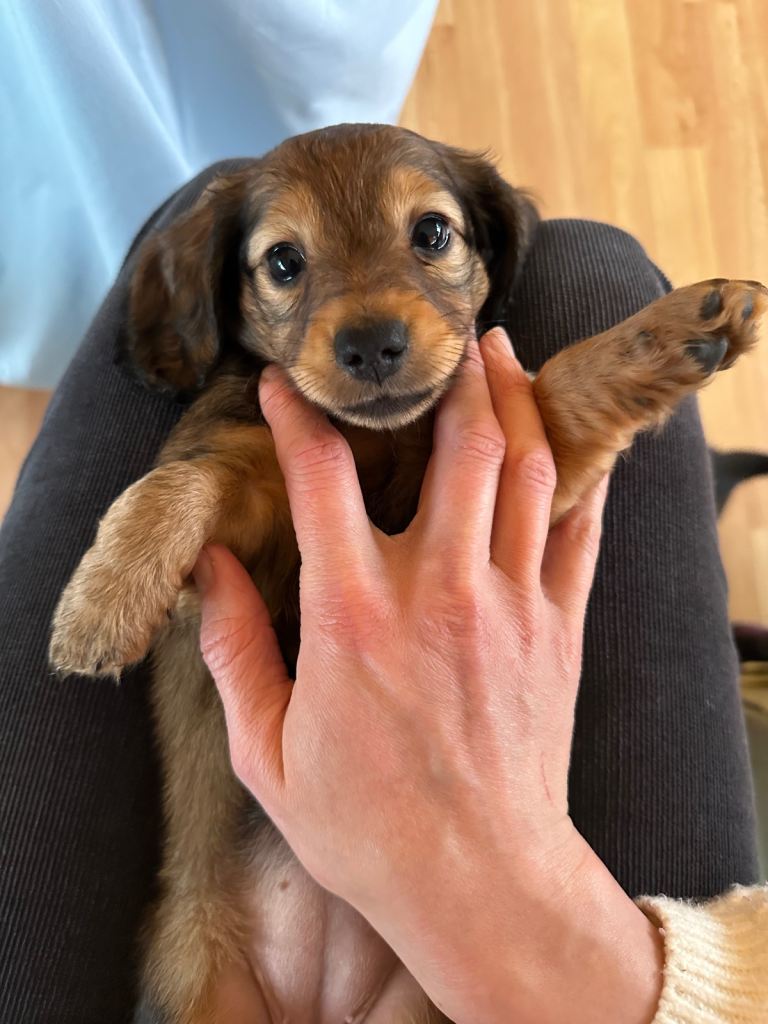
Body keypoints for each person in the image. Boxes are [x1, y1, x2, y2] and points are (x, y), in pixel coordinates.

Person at [0, 162, 764, 1023]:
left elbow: (530, 463)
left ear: (486, 244)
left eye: (431, 235)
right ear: (230, 292)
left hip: (443, 967)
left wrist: (612, 378)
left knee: (570, 300)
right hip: (219, 937)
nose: (369, 327)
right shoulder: (241, 424)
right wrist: (158, 519)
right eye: (286, 264)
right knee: (589, 274)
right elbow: (227, 487)